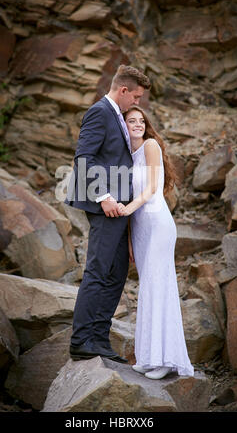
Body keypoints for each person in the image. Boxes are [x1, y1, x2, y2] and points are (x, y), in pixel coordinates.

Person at [64, 65, 151, 363]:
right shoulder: (100, 112)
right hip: (106, 207)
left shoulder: (117, 115)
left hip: (120, 211)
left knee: (116, 274)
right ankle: (81, 340)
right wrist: (104, 197)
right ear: (123, 90)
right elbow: (83, 158)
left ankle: (99, 339)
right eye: (136, 96)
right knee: (98, 271)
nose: (136, 103)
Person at [118, 105, 194, 379]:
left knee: (160, 287)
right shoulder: (127, 154)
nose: (137, 124)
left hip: (158, 224)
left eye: (141, 120)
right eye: (131, 121)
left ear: (146, 125)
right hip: (140, 229)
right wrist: (129, 239)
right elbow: (129, 198)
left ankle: (166, 360)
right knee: (148, 289)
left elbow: (150, 189)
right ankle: (148, 356)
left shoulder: (150, 145)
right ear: (123, 125)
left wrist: (127, 209)